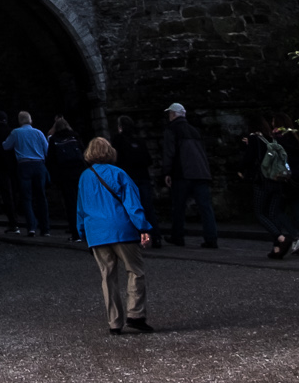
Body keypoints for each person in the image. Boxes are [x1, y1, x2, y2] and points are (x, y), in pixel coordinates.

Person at [76, 137, 154, 334]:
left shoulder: (84, 177)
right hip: (122, 229)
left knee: (107, 277)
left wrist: (82, 232)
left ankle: (114, 322)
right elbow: (132, 203)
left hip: (96, 232)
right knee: (135, 271)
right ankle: (135, 314)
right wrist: (143, 227)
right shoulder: (118, 173)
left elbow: (80, 208)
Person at [156, 101, 218, 248]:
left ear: (172, 114)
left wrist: (167, 172)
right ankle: (211, 238)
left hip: (182, 173)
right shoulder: (194, 131)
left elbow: (169, 152)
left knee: (179, 206)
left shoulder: (171, 130)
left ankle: (178, 236)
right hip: (200, 173)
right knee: (205, 207)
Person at [255, 118, 299, 258]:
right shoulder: (294, 139)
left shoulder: (280, 140)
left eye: (274, 121)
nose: (272, 124)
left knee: (277, 212)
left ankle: (296, 239)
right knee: (297, 212)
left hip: (286, 179)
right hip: (298, 179)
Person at [2, 110, 51, 237]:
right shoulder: (39, 133)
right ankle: (45, 229)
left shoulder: (16, 132)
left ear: (19, 121)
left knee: (27, 198)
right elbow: (47, 150)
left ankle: (31, 227)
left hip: (24, 166)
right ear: (31, 120)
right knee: (41, 197)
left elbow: (6, 146)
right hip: (39, 164)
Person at [46, 118, 85, 246]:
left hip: (64, 176)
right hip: (79, 174)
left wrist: (54, 178)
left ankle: (75, 233)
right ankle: (87, 231)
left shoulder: (54, 139)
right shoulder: (75, 136)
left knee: (70, 204)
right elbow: (84, 153)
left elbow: (50, 160)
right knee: (82, 202)